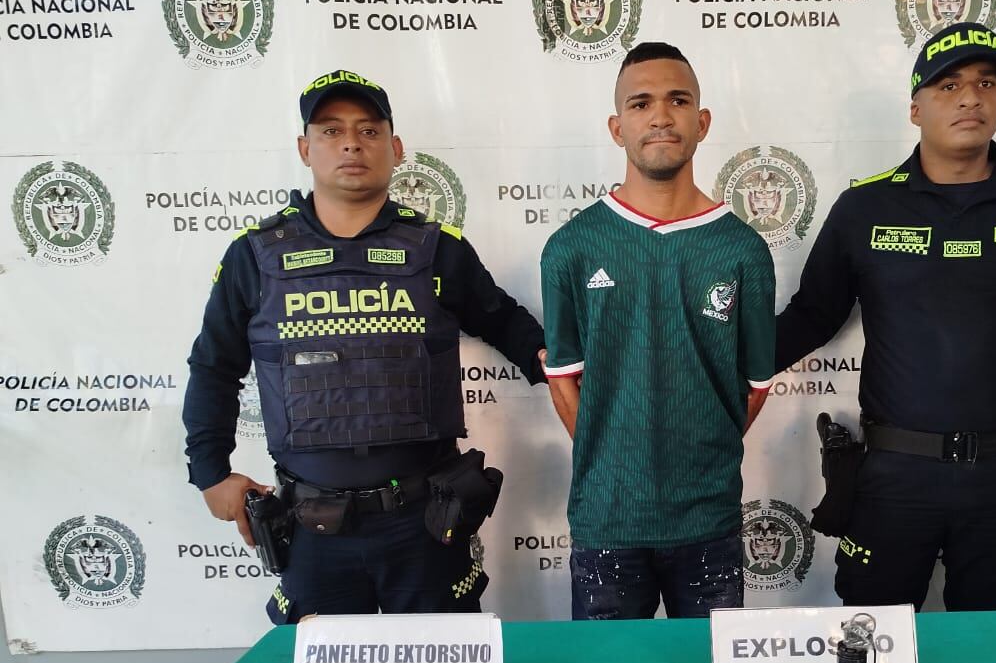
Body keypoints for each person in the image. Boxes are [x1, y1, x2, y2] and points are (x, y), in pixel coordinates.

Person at [183, 69, 546, 623]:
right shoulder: (254, 256)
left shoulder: (437, 250)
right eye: (330, 131)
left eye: (369, 130)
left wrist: (571, 370)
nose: (351, 142)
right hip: (310, 527)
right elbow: (214, 367)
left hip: (425, 523)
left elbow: (508, 326)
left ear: (395, 149)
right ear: (305, 148)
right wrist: (211, 471)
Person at [775, 23, 996, 612]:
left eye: (986, 82)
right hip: (895, 476)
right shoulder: (866, 207)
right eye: (949, 86)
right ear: (916, 108)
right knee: (873, 642)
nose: (971, 97)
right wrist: (715, 361)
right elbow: (814, 314)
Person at [540, 42, 775, 620]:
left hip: (708, 521)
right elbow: (564, 381)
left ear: (702, 121)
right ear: (618, 127)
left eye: (678, 100)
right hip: (607, 523)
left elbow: (755, 386)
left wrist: (695, 457)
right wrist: (619, 459)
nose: (661, 116)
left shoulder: (742, 249)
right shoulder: (572, 248)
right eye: (641, 104)